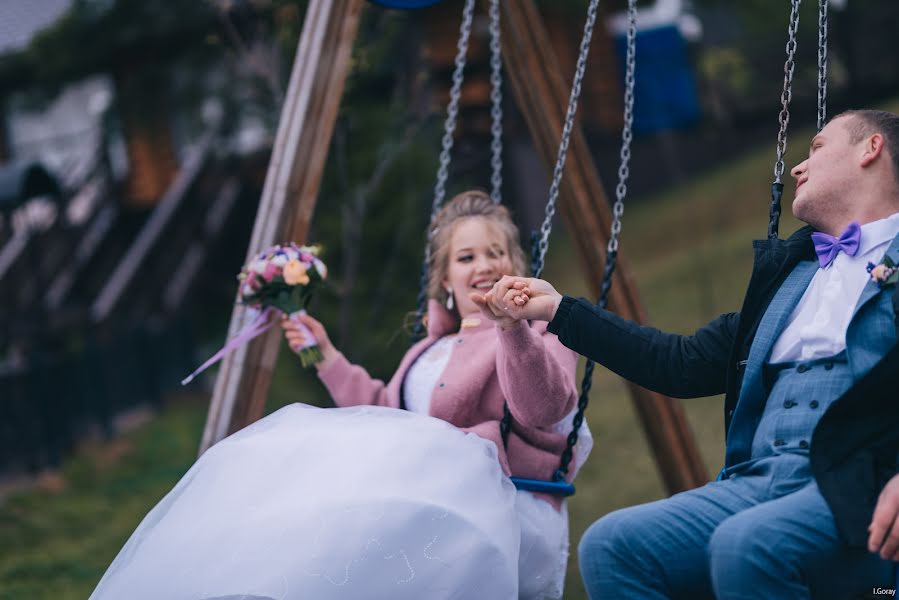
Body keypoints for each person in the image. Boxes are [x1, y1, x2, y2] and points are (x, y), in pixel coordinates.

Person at [474, 109, 899, 599]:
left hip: (862, 486)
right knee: (613, 545)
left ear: (871, 149)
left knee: (745, 546)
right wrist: (560, 310)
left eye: (817, 149)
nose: (796, 168)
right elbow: (678, 362)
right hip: (758, 479)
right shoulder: (790, 284)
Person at [90, 190, 589, 600]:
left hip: (499, 501)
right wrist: (325, 355)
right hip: (427, 493)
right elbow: (385, 414)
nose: (483, 264)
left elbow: (544, 408)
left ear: (514, 262)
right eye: (466, 256)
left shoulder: (541, 332)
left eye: (495, 253)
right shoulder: (428, 351)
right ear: (444, 278)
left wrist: (512, 328)